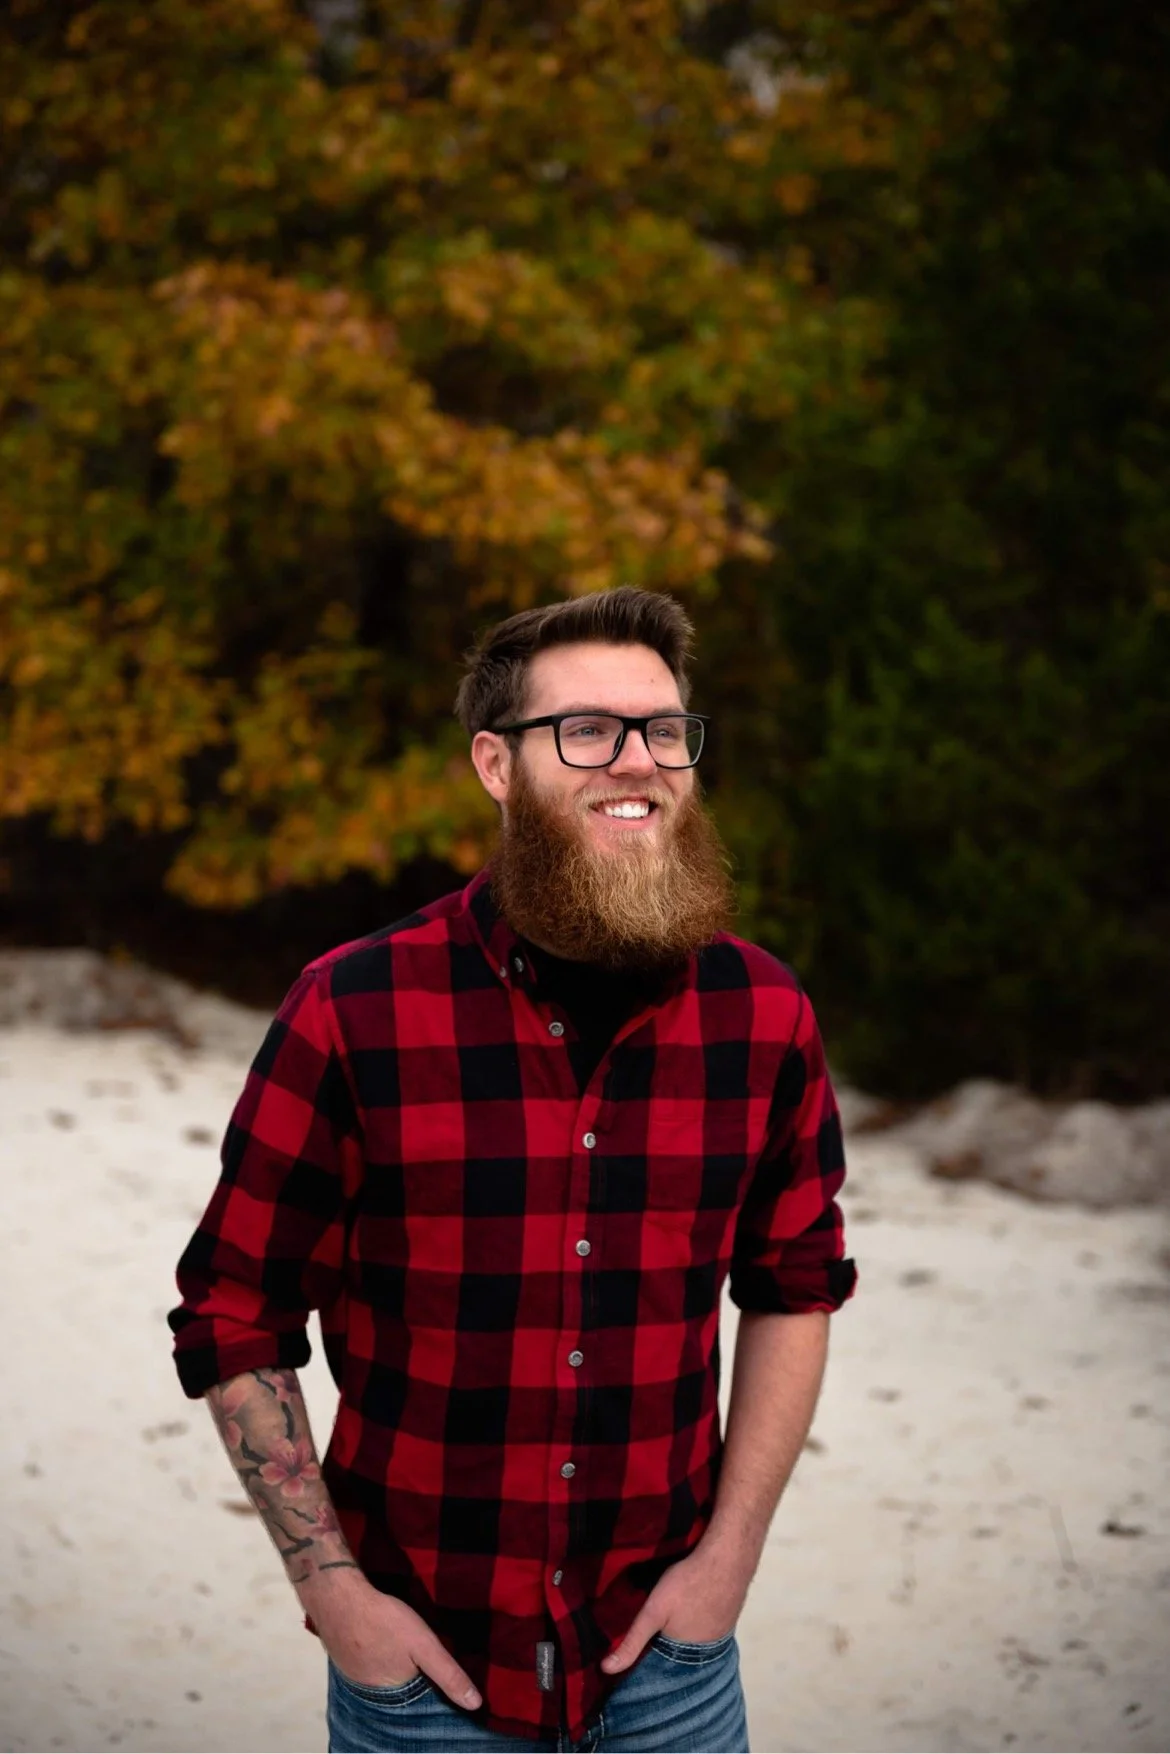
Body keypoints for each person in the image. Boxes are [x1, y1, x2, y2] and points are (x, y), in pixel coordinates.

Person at [169, 586, 857, 1753]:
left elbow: (796, 1286)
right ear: (496, 764)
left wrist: (731, 1556)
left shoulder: (763, 1011)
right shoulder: (354, 1008)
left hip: (672, 1663)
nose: (637, 759)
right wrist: (336, 1596)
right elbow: (234, 1309)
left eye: (664, 728)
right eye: (586, 730)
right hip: (425, 1678)